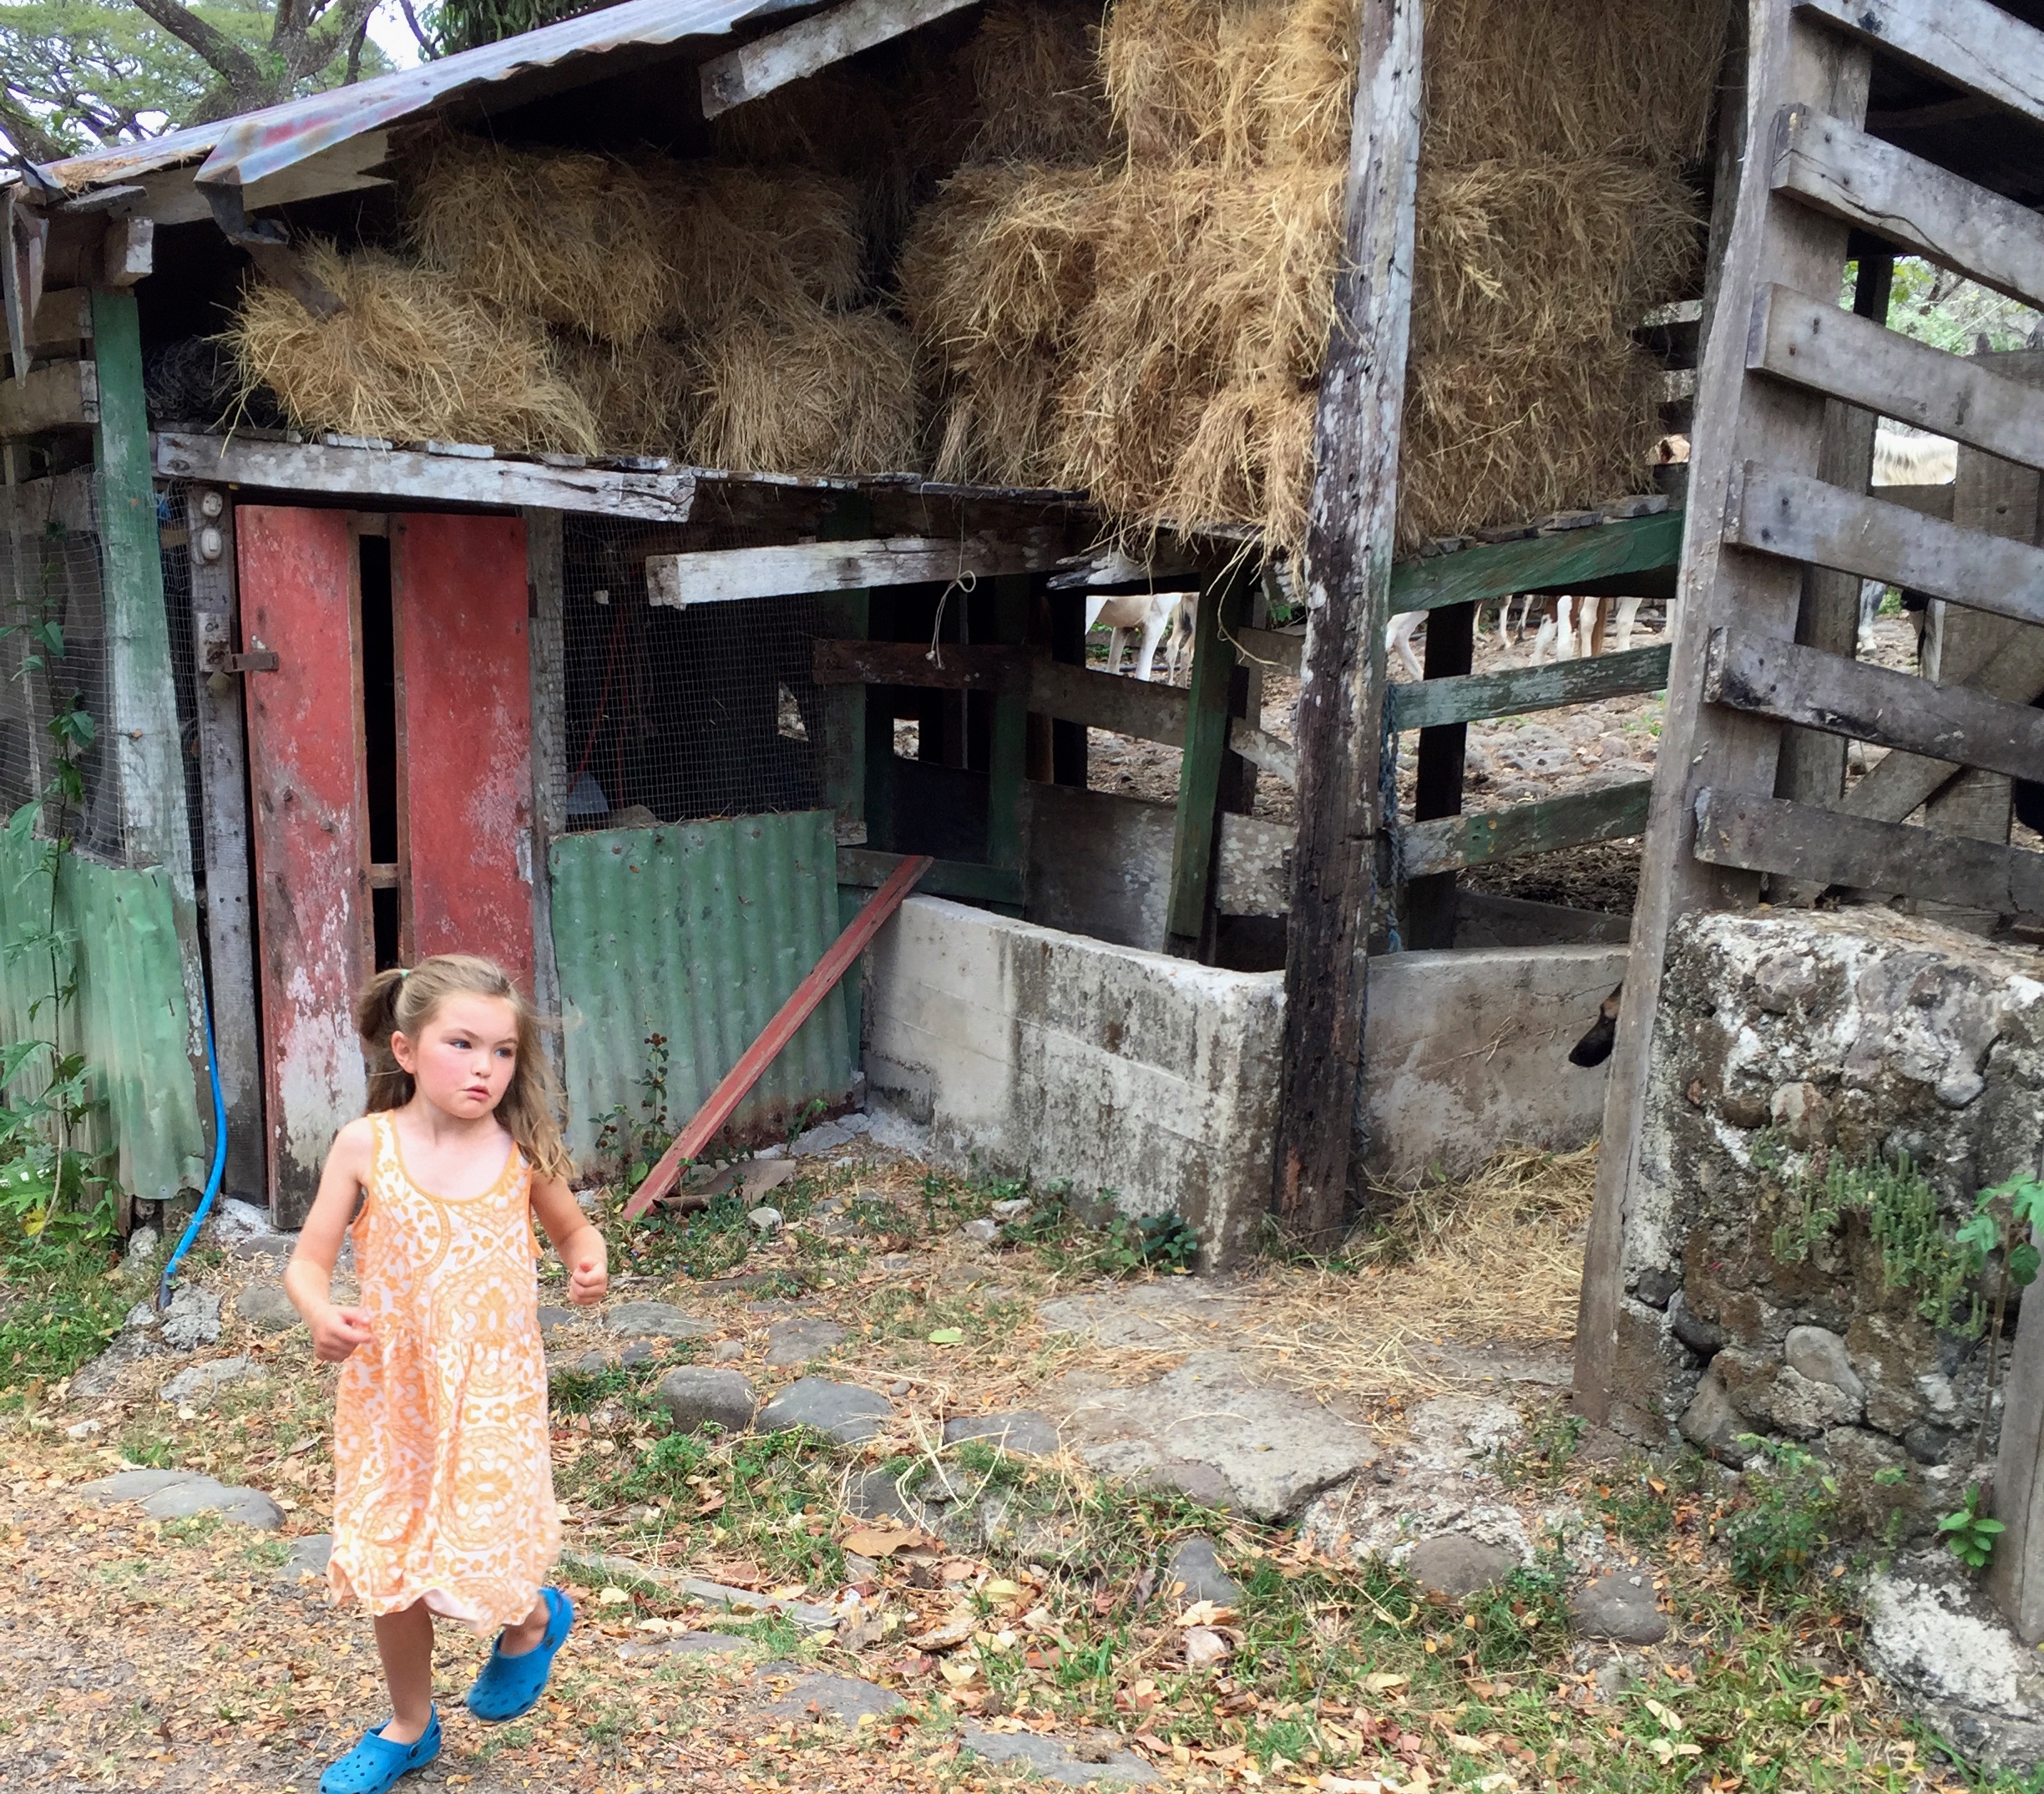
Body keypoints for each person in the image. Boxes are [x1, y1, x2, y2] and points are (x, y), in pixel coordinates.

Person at [284, 954, 608, 1794]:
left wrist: (587, 1265)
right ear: (405, 1050)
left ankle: (534, 1616)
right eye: (463, 1045)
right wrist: (321, 1315)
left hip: (492, 1394)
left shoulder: (522, 1153)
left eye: (503, 1052)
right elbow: (308, 1264)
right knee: (391, 1563)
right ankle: (408, 1727)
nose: (485, 1068)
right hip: (393, 1395)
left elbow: (577, 1234)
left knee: (480, 1555)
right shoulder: (366, 1146)